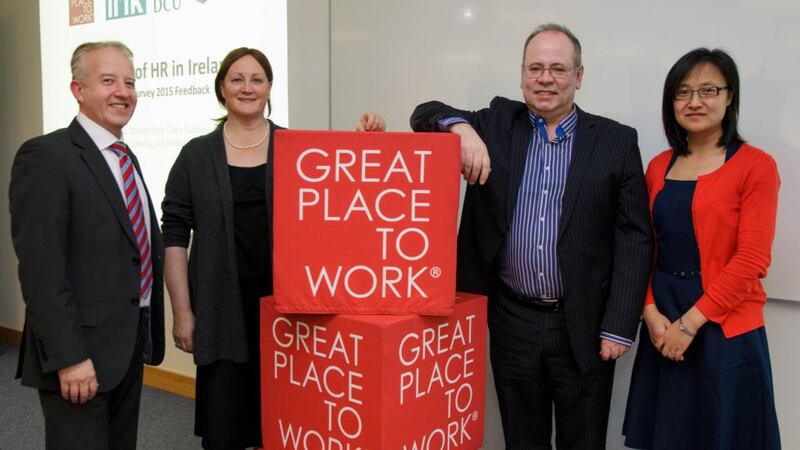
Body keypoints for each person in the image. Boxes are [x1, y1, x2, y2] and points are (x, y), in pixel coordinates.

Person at [410, 23, 652, 449]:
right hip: (511, 319)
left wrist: (618, 326)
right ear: (522, 74)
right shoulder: (497, 124)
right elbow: (423, 113)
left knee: (584, 440)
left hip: (584, 322)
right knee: (522, 438)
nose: (545, 78)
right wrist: (459, 129)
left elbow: (634, 237)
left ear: (578, 76)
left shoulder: (616, 141)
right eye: (535, 68)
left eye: (558, 69)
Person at [161, 47, 385, 450]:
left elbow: (344, 199)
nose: (247, 87)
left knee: (288, 424)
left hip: (289, 313)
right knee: (224, 429)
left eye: (257, 79)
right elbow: (175, 236)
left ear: (268, 88)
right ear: (222, 88)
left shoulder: (297, 148)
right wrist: (182, 313)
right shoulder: (195, 155)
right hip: (220, 310)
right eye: (237, 79)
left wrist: (368, 144)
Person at [622, 48, 781, 450]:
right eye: (683, 92)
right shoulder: (658, 165)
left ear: (730, 97)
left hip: (722, 323)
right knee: (668, 434)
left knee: (722, 434)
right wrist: (650, 312)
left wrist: (691, 324)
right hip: (663, 317)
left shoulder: (756, 165)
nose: (694, 102)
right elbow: (641, 246)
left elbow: (752, 260)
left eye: (708, 90)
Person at [9, 41, 164, 449]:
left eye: (129, 82)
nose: (123, 92)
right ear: (78, 90)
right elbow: (41, 270)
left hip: (127, 345)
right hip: (79, 355)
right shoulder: (46, 156)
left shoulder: (125, 157)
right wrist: (69, 357)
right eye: (108, 80)